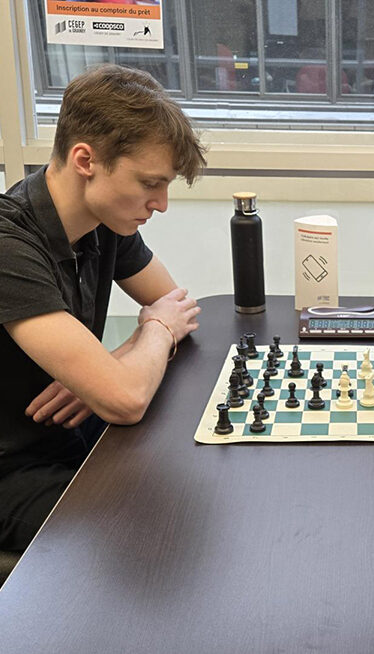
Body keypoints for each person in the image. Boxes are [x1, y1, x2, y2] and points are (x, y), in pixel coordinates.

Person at [0, 64, 206, 552]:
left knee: (197, 481)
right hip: (12, 469)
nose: (161, 203)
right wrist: (150, 336)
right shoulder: (9, 246)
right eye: (149, 183)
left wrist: (102, 370)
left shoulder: (106, 223)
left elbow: (177, 305)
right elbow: (128, 397)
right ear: (85, 159)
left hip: (68, 437)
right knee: (155, 528)